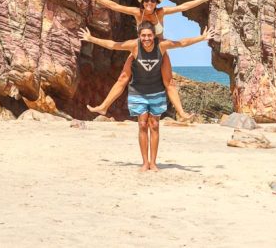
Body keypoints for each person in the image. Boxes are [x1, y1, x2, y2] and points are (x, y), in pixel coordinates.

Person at [78, 21, 214, 172]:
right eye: (143, 35)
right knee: (142, 124)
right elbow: (113, 45)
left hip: (157, 91)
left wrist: (202, 38)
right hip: (138, 91)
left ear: (154, 36)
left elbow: (181, 43)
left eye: (149, 35)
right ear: (139, 36)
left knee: (154, 125)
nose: (146, 38)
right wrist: (91, 39)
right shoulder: (134, 46)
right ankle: (144, 162)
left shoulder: (161, 46)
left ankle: (153, 163)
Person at [85, 0, 216, 120]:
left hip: (159, 49)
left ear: (156, 2)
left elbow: (183, 7)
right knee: (123, 78)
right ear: (143, 2)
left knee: (169, 82)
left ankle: (181, 113)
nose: (150, 3)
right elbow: (115, 6)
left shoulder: (161, 12)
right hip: (140, 48)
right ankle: (103, 107)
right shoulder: (137, 13)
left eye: (153, 0)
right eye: (147, 0)